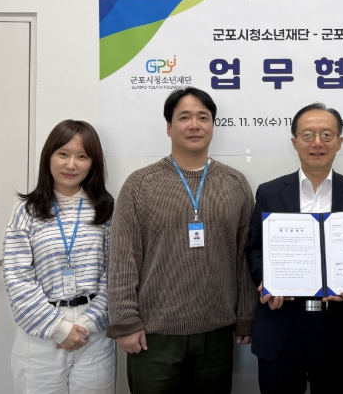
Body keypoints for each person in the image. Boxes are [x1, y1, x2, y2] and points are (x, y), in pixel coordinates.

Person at [107, 87, 257, 393]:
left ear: (212, 125)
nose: (194, 125)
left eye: (203, 117)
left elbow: (243, 256)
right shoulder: (140, 184)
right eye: (184, 117)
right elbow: (123, 258)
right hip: (154, 335)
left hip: (216, 333)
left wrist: (246, 316)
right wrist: (125, 322)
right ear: (168, 126)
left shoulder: (235, 184)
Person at [245, 103, 343, 394]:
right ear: (294, 142)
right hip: (281, 323)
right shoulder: (269, 192)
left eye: (327, 134)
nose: (317, 142)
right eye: (308, 135)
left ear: (339, 142)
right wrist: (267, 282)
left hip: (336, 325)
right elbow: (254, 248)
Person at [2, 120, 114, 393]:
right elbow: (17, 277)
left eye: (82, 157)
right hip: (41, 334)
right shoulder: (26, 211)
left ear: (93, 163)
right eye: (63, 154)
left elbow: (114, 273)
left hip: (94, 332)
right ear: (48, 156)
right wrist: (59, 329)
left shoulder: (105, 209)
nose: (71, 165)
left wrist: (87, 324)